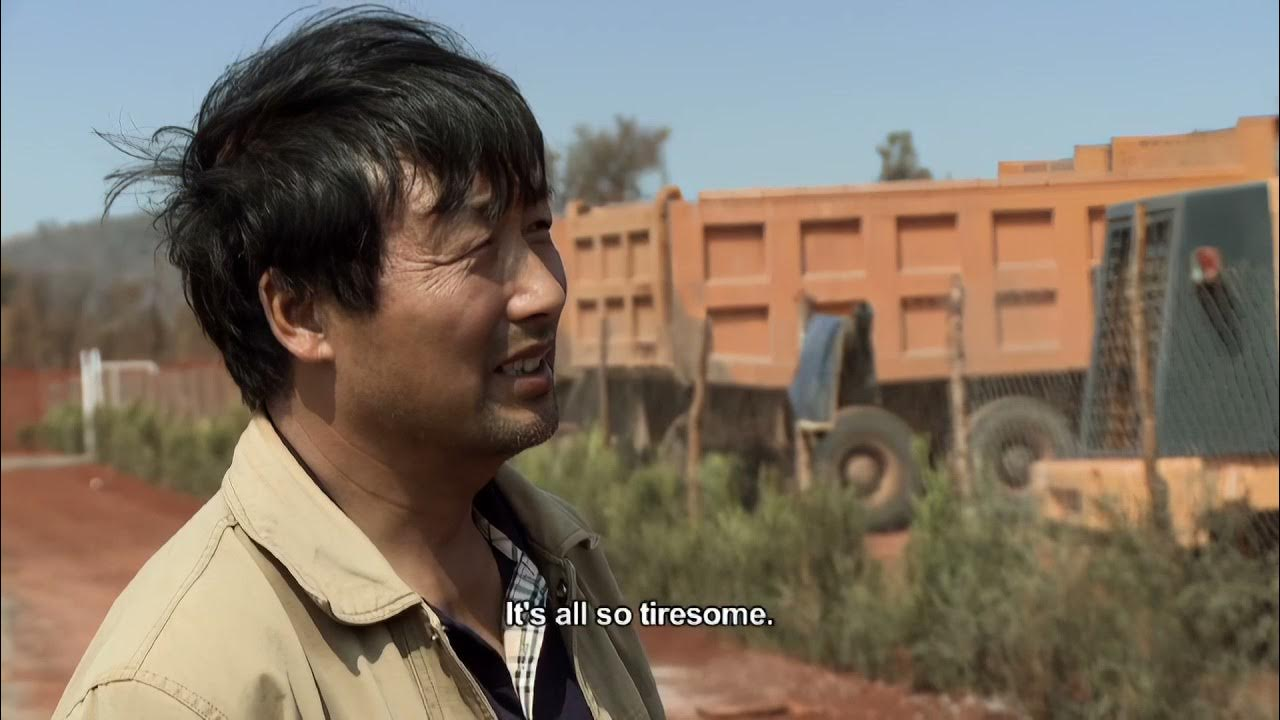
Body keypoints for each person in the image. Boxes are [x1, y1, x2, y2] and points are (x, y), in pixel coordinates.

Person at [53, 7, 665, 719]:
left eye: (538, 230)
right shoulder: (176, 691)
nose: (545, 291)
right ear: (302, 312)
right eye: (475, 248)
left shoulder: (560, 554)